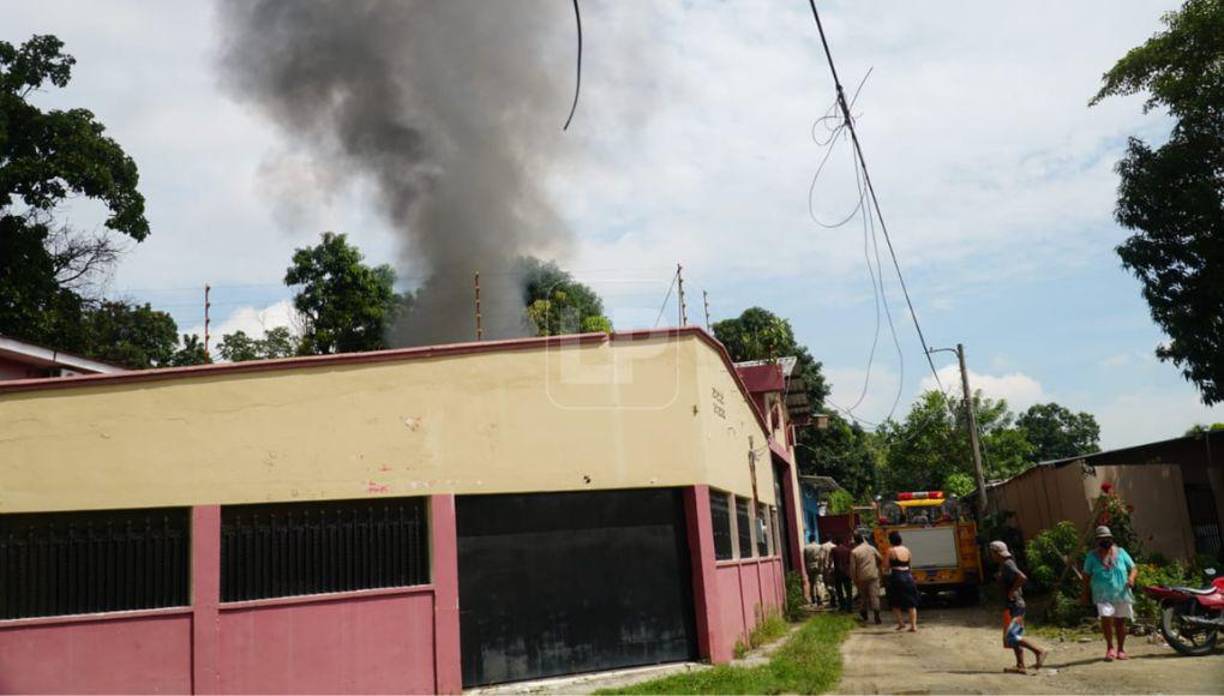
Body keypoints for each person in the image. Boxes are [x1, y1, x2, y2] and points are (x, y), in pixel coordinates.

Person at [989, 540, 1048, 673]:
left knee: (1012, 636)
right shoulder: (1003, 565)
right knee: (1013, 636)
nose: (991, 556)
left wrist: (1011, 592)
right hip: (1011, 605)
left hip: (1016, 605)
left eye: (992, 553)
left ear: (997, 553)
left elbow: (1022, 577)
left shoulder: (1007, 564)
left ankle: (1039, 651)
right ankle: (1020, 665)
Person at [1082, 525, 1138, 661]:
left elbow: (1134, 568)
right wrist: (1085, 593)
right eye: (1101, 539)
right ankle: (1110, 648)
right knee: (1106, 619)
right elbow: (1086, 575)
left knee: (1120, 622)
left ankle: (1121, 650)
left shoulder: (1121, 552)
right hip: (1102, 594)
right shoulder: (1092, 556)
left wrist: (1131, 578)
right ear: (1097, 541)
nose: (1105, 541)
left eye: (1107, 538)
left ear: (1111, 538)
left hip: (1121, 593)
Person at [885, 531, 919, 632]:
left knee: (895, 602)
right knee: (911, 603)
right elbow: (910, 565)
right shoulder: (907, 550)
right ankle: (913, 626)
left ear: (890, 540)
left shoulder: (890, 551)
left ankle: (901, 623)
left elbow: (886, 566)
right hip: (908, 576)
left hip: (897, 576)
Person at [849, 529, 883, 624]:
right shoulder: (871, 548)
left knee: (863, 596)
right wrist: (877, 567)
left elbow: (853, 568)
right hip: (873, 575)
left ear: (855, 541)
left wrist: (854, 579)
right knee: (874, 596)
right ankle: (877, 615)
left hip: (861, 577)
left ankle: (864, 615)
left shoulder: (854, 552)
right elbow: (880, 558)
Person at [830, 535, 854, 612]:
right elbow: (850, 562)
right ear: (843, 542)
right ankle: (849, 607)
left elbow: (831, 561)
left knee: (839, 591)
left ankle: (842, 606)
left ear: (836, 542)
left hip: (838, 573)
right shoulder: (848, 550)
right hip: (847, 572)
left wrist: (830, 571)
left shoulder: (834, 550)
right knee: (848, 591)